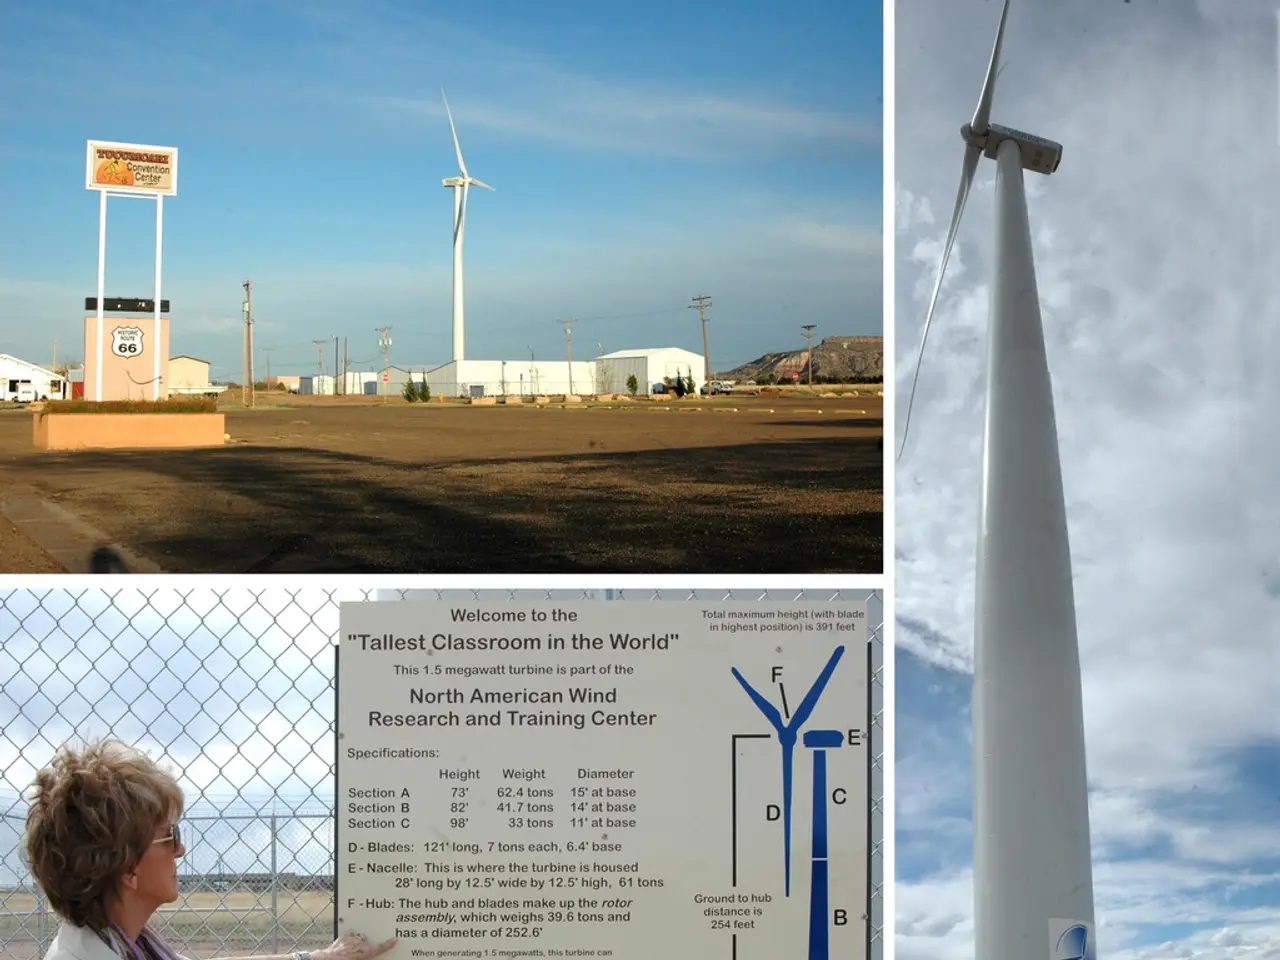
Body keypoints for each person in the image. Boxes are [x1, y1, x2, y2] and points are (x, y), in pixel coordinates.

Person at [24, 739, 397, 960]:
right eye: (170, 835)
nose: (181, 849)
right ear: (128, 868)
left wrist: (316, 958)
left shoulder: (116, 941)